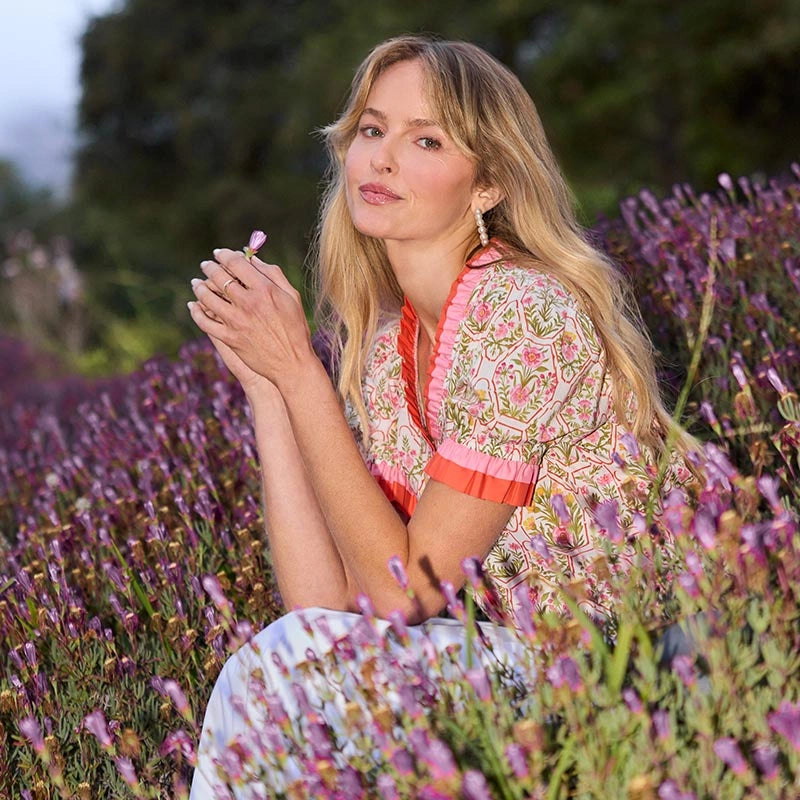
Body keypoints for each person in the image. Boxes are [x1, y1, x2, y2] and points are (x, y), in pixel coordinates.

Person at [186, 34, 694, 797]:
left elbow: (404, 595)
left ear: (487, 184)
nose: (381, 159)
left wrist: (300, 371)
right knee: (286, 662)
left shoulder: (524, 313)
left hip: (624, 665)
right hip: (509, 663)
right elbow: (328, 610)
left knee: (276, 674)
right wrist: (270, 388)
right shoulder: (393, 342)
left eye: (425, 139)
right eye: (371, 129)